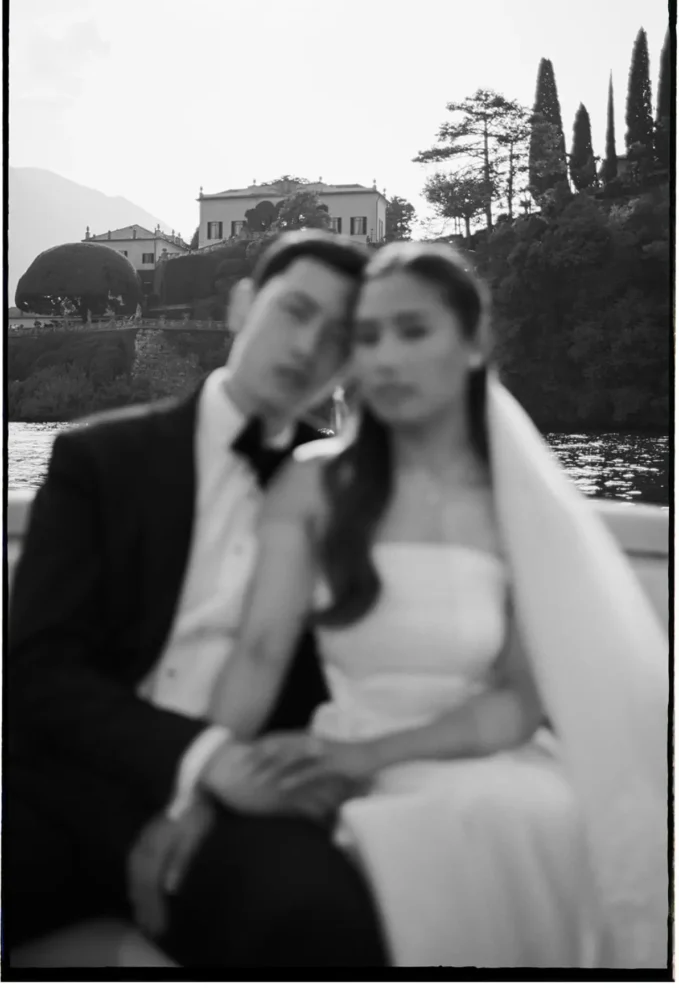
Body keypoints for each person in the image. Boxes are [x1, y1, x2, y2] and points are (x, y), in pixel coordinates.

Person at [138, 241, 668, 968]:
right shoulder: (313, 484)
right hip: (340, 762)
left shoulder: (513, 502)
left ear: (473, 341)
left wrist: (365, 755)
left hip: (478, 752)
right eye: (366, 337)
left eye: (412, 331)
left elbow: (516, 702)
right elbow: (256, 655)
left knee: (540, 816)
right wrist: (192, 792)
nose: (384, 359)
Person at [6, 230, 388, 968]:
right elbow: (37, 670)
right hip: (70, 785)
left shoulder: (351, 490)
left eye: (337, 335)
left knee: (324, 917)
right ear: (242, 306)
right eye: (293, 310)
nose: (307, 346)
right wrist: (202, 761)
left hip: (246, 805)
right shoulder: (99, 458)